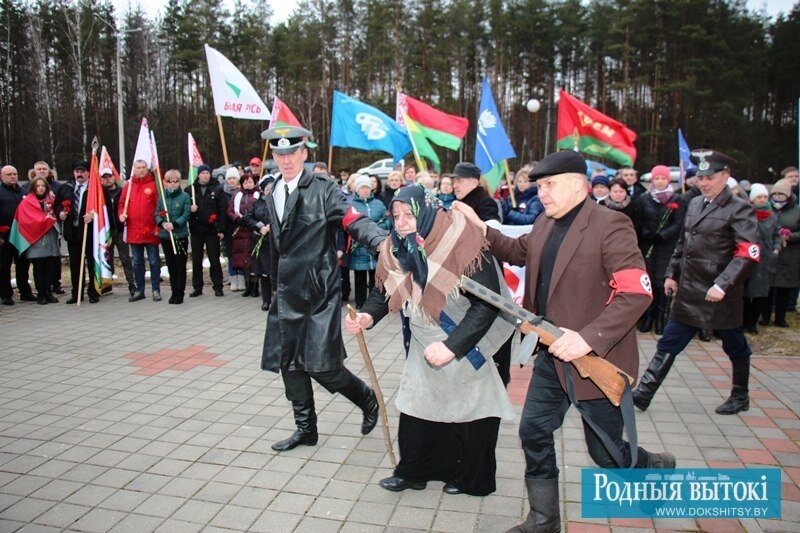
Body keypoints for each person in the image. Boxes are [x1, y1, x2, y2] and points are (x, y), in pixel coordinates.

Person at [454, 150, 674, 533]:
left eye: (550, 185)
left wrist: (588, 339)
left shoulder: (611, 224)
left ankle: (652, 464)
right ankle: (543, 520)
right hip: (551, 358)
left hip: (595, 361)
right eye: (539, 186)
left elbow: (636, 293)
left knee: (606, 454)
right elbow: (518, 252)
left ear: (577, 183)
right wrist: (480, 228)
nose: (543, 194)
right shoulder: (544, 223)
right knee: (532, 431)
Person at [346, 185, 515, 496]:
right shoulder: (396, 247)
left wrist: (452, 347)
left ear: (426, 211)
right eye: (395, 216)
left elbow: (488, 304)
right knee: (417, 402)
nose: (401, 222)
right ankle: (415, 470)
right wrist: (368, 317)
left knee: (471, 408)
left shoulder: (463, 241)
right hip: (426, 337)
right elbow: (385, 289)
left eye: (409, 214)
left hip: (471, 336)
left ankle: (469, 476)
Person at [259, 125, 387, 452]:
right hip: (286, 291)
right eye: (279, 154)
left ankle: (366, 398)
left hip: (317, 292)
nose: (286, 160)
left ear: (304, 153)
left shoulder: (324, 189)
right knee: (289, 363)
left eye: (292, 153)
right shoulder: (271, 189)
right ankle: (306, 429)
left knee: (321, 365)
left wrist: (381, 244)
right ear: (273, 157)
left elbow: (352, 220)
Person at [632, 150, 760, 416]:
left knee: (734, 344)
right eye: (700, 177)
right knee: (669, 341)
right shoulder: (696, 204)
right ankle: (644, 393)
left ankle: (740, 395)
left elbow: (748, 252)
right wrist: (672, 274)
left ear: (726, 176)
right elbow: (683, 244)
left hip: (720, 293)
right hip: (690, 291)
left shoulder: (739, 208)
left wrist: (723, 284)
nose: (704, 182)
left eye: (710, 177)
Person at [451, 161, 511, 385]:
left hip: (486, 276)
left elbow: (491, 231)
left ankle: (497, 376)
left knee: (489, 322)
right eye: (454, 180)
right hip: (467, 276)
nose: (455, 184)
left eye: (460, 180)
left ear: (474, 182)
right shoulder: (461, 202)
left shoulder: (484, 202)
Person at [637, 165, 685, 334]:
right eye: (656, 178)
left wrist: (663, 235)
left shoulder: (676, 199)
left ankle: (660, 319)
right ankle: (648, 317)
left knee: (662, 283)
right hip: (648, 246)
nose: (659, 181)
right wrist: (646, 234)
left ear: (668, 180)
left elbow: (679, 223)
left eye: (663, 178)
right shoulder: (644, 198)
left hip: (666, 247)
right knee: (648, 281)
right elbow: (639, 220)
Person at [54, 161, 99, 305]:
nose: (79, 174)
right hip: (72, 232)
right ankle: (77, 292)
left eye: (83, 171)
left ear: (88, 173)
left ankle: (93, 291)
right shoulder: (65, 188)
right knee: (75, 264)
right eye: (77, 171)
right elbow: (57, 205)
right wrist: (60, 213)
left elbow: (103, 208)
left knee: (91, 263)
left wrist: (94, 215)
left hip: (89, 232)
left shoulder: (95, 189)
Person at [119, 160, 162, 302]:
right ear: (134, 169)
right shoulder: (128, 186)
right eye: (138, 167)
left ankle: (156, 289)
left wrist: (158, 226)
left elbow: (160, 208)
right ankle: (139, 290)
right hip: (134, 231)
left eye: (144, 167)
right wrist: (122, 215)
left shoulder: (154, 185)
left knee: (154, 261)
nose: (141, 170)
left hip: (150, 231)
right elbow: (121, 204)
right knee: (137, 261)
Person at [13, 176, 60, 304]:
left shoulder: (50, 200)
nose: (40, 188)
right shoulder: (27, 202)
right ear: (33, 187)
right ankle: (41, 293)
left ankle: (48, 292)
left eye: (43, 186)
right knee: (39, 267)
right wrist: (42, 221)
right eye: (38, 186)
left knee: (49, 266)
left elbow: (57, 214)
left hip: (49, 237)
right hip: (36, 239)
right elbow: (25, 220)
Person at [348, 175, 390, 309]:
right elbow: (349, 223)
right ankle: (360, 302)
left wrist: (379, 229)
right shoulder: (352, 205)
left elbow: (388, 220)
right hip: (358, 247)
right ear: (357, 190)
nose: (365, 190)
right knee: (359, 277)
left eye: (367, 187)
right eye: (362, 188)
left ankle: (372, 304)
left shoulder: (379, 204)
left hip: (376, 246)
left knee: (375, 276)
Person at [742, 184, 780, 333]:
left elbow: (777, 234)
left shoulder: (772, 216)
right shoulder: (747, 215)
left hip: (766, 259)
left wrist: (776, 248)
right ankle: (743, 321)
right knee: (746, 292)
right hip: (750, 257)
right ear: (752, 199)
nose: (763, 200)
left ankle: (752, 323)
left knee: (761, 294)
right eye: (759, 197)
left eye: (765, 197)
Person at [186, 164, 226, 297]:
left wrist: (221, 228)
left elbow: (222, 210)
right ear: (198, 175)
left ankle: (218, 286)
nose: (205, 176)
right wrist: (190, 209)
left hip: (212, 230)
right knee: (197, 260)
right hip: (196, 229)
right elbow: (184, 209)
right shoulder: (190, 189)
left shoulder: (217, 189)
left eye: (207, 173)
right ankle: (197, 287)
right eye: (202, 173)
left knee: (214, 259)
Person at [764, 178, 799, 327]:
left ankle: (780, 318)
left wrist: (790, 236)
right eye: (775, 194)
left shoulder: (797, 211)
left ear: (788, 195)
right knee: (768, 288)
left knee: (784, 288)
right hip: (770, 253)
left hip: (789, 254)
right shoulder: (767, 209)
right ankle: (765, 317)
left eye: (781, 194)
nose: (777, 197)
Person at [0, 165, 35, 304]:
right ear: (2, 176)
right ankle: (6, 294)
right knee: (4, 267)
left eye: (14, 174)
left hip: (22, 236)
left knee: (23, 265)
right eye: (9, 174)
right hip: (5, 236)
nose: (13, 176)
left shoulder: (24, 192)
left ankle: (25, 292)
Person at [155, 169, 191, 304]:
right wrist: (162, 223)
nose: (172, 184)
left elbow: (186, 214)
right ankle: (173, 291)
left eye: (175, 181)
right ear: (165, 182)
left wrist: (174, 224)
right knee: (170, 265)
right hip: (166, 236)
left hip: (179, 235)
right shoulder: (162, 197)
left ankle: (180, 292)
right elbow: (157, 213)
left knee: (180, 265)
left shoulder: (185, 196)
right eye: (169, 181)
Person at [241, 177, 274, 311]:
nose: (270, 191)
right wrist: (259, 227)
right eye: (267, 188)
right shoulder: (256, 204)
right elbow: (247, 218)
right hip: (261, 241)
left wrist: (273, 226)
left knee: (276, 271)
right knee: (264, 272)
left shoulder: (280, 202)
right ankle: (266, 300)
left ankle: (279, 300)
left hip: (275, 241)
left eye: (272, 188)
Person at [31, 161, 64, 295]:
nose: (42, 171)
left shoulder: (58, 187)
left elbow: (60, 204)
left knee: (54, 259)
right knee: (39, 262)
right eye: (39, 169)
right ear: (34, 171)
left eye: (44, 168)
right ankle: (42, 290)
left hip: (52, 229)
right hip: (37, 233)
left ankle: (55, 284)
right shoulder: (29, 190)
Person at [102, 168, 135, 296]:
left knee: (125, 258)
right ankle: (107, 284)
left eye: (109, 176)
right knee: (107, 259)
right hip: (106, 231)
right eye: (104, 177)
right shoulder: (100, 194)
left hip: (121, 230)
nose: (107, 179)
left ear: (113, 177)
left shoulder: (122, 192)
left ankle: (131, 284)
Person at [227, 173, 260, 297]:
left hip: (254, 230)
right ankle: (248, 286)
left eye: (250, 182)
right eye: (245, 182)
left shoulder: (258, 195)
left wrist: (252, 221)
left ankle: (255, 286)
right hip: (240, 230)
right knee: (244, 259)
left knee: (254, 260)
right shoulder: (236, 195)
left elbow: (261, 210)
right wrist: (237, 219)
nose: (248, 184)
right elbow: (230, 211)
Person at [221, 167, 242, 291]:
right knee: (230, 254)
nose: (232, 181)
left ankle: (241, 278)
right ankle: (233, 277)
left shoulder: (241, 192)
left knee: (240, 253)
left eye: (234, 178)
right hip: (228, 227)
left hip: (239, 226)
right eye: (229, 178)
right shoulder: (222, 193)